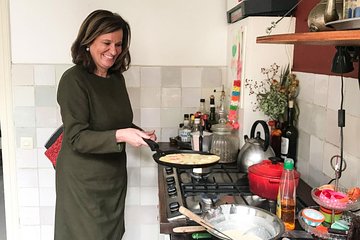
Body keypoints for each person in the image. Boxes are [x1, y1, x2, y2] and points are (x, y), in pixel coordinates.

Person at [54, 9, 157, 240]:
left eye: (119, 44)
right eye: (107, 42)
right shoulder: (73, 80)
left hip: (112, 177)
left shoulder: (115, 78)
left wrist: (139, 133)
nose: (113, 51)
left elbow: (116, 122)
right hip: (82, 182)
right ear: (88, 42)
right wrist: (122, 135)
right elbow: (77, 137)